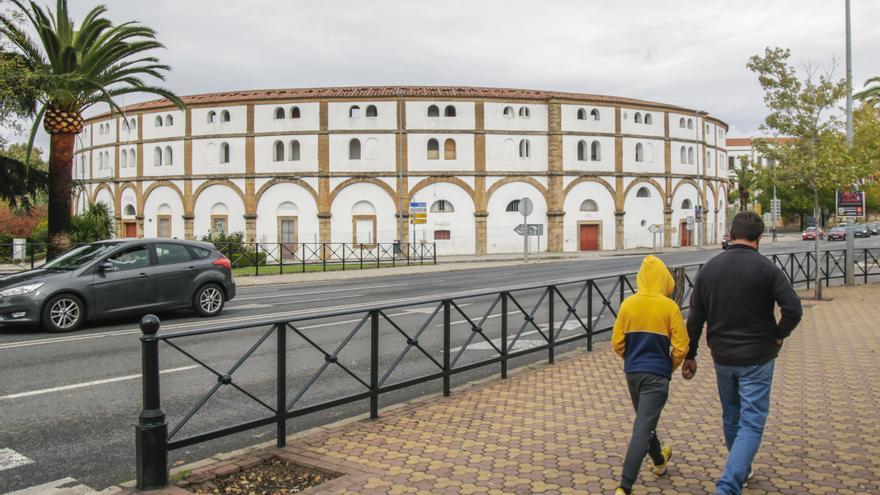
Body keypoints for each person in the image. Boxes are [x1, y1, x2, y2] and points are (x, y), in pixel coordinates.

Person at [683, 211, 802, 495]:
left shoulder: (708, 269)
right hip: (758, 358)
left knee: (731, 416)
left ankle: (743, 468)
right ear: (759, 238)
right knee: (751, 421)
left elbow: (695, 317)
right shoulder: (767, 270)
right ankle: (729, 485)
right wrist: (777, 334)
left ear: (731, 233)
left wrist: (690, 354)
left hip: (723, 357)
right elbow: (793, 310)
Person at [611, 255, 689, 495]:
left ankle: (658, 460)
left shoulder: (628, 304)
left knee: (646, 421)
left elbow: (617, 343)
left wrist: (632, 359)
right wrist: (669, 366)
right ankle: (625, 486)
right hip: (657, 375)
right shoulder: (669, 307)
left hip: (633, 373)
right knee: (643, 427)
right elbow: (681, 346)